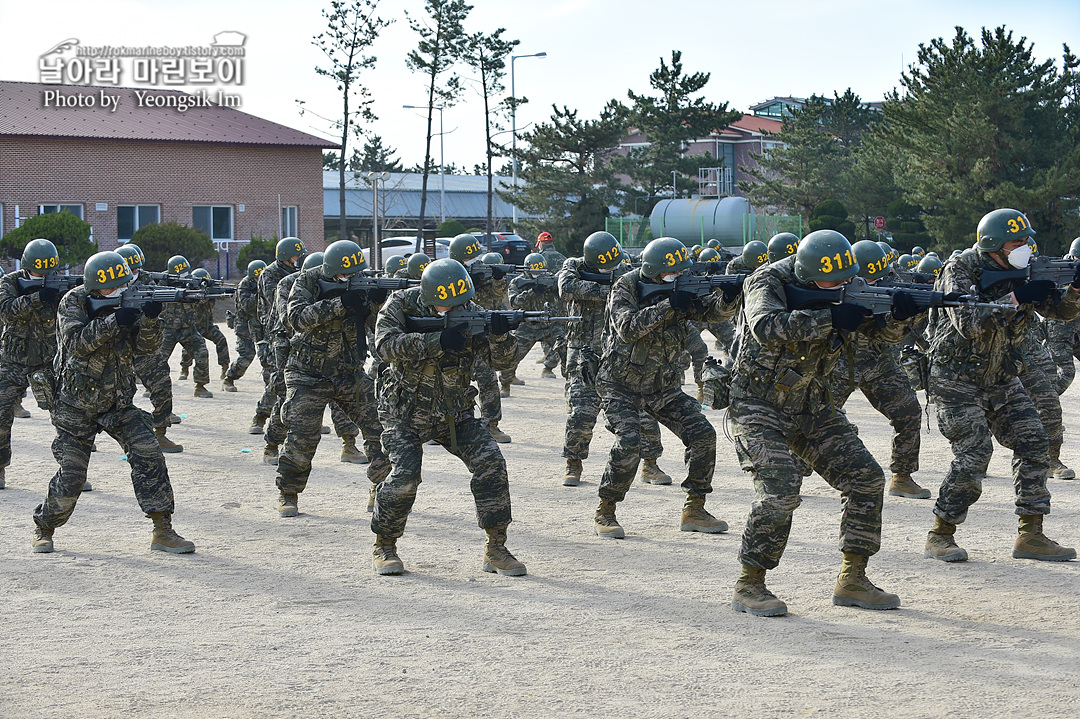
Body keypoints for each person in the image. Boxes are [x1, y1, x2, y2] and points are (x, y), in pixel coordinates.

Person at [729, 230, 913, 617]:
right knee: (780, 489)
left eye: (848, 279)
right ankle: (750, 584)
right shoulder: (766, 280)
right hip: (758, 404)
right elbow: (767, 328)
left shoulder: (850, 283)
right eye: (834, 283)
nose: (845, 286)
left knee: (867, 478)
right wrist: (829, 317)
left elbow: (878, 334)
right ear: (807, 276)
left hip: (813, 403)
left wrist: (899, 317)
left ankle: (853, 579)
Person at [923, 208, 1080, 564]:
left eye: (1027, 240)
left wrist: (1074, 290)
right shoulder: (960, 270)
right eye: (1017, 242)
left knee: (1035, 441)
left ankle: (1031, 534)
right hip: (956, 381)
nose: (1025, 247)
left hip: (1001, 378)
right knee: (975, 453)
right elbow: (968, 322)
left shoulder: (1025, 268)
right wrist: (1017, 298)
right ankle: (940, 533)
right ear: (993, 246)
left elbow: (1061, 312)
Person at [31, 251, 194, 554]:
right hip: (74, 405)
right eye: (112, 288)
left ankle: (163, 530)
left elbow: (147, 349)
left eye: (123, 285)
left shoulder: (127, 302)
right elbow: (76, 344)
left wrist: (150, 319)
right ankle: (45, 527)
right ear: (95, 287)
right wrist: (113, 321)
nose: (119, 292)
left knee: (150, 456)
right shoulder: (73, 302)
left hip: (117, 402)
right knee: (72, 476)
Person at [370, 258, 524, 577]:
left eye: (459, 302)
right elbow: (384, 346)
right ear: (428, 297)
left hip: (455, 412)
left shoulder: (472, 310)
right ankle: (384, 545)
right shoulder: (400, 303)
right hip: (404, 412)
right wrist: (437, 340)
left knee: (491, 463)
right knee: (405, 475)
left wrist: (500, 334)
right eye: (445, 305)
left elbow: (502, 362)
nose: (454, 308)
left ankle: (496, 547)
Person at [593, 237, 739, 539]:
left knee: (703, 435)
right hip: (620, 385)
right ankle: (606, 510)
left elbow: (710, 313)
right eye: (671, 274)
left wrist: (728, 299)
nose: (678, 277)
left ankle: (694, 508)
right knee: (630, 441)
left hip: (663, 386)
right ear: (654, 271)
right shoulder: (626, 286)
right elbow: (627, 328)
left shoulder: (683, 283)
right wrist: (668, 304)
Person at [274, 241, 390, 518]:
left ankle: (381, 485)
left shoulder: (362, 281)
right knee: (303, 434)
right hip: (307, 373)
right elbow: (296, 318)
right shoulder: (307, 280)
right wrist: (340, 303)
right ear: (331, 270)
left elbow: (376, 326)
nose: (349, 279)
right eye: (343, 275)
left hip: (348, 371)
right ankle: (288, 493)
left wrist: (376, 302)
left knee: (380, 425)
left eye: (353, 275)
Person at [557, 232, 670, 487]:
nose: (612, 267)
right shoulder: (573, 267)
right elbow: (568, 289)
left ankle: (650, 464)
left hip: (619, 351)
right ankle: (573, 464)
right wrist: (612, 288)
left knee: (641, 411)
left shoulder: (627, 266)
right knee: (581, 411)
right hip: (583, 350)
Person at [829, 240, 929, 499]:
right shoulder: (831, 282)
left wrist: (907, 314)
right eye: (869, 279)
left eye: (879, 277)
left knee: (908, 413)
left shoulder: (892, 281)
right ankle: (793, 480)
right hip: (837, 361)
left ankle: (902, 476)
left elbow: (894, 333)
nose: (877, 283)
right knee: (814, 418)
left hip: (878, 361)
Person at [0, 240, 90, 490]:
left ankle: (71, 473)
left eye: (48, 271)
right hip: (12, 360)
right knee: (1, 415)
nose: (44, 275)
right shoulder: (10, 281)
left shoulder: (61, 282)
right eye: (39, 272)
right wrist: (37, 298)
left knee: (66, 418)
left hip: (49, 360)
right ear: (28, 265)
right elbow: (5, 311)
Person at [258, 237, 307, 464]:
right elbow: (278, 305)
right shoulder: (271, 276)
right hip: (280, 334)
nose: (300, 258)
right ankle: (264, 425)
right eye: (297, 255)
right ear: (286, 256)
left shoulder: (304, 276)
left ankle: (349, 441)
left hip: (306, 339)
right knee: (281, 387)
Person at [157, 255, 214, 399]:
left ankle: (200, 386)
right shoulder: (162, 282)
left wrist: (202, 290)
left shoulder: (191, 282)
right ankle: (152, 387)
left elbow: (201, 304)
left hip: (188, 327)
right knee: (158, 359)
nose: (185, 276)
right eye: (181, 274)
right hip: (167, 329)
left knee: (201, 351)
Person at [224, 260, 273, 402]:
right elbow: (248, 306)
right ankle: (229, 378)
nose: (261, 281)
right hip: (244, 325)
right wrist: (260, 292)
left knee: (267, 355)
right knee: (247, 355)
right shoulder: (243, 286)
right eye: (258, 279)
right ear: (252, 278)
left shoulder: (268, 283)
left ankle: (270, 386)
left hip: (261, 324)